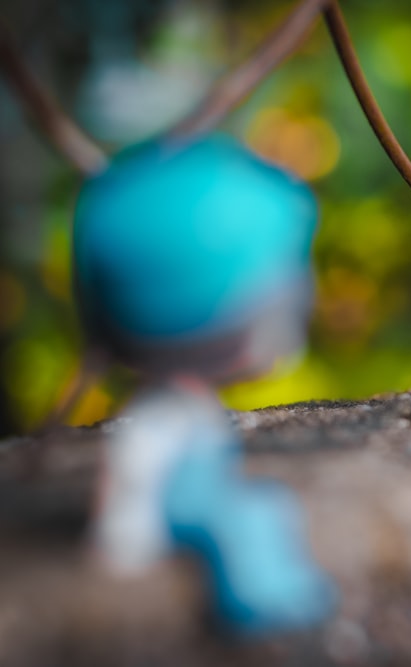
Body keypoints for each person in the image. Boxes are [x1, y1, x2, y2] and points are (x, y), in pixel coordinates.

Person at [75, 135, 335, 634]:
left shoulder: (177, 409)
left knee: (264, 510)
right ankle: (258, 597)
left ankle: (280, 588)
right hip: (182, 507)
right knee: (250, 519)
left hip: (196, 495)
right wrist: (125, 538)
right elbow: (129, 481)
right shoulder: (159, 421)